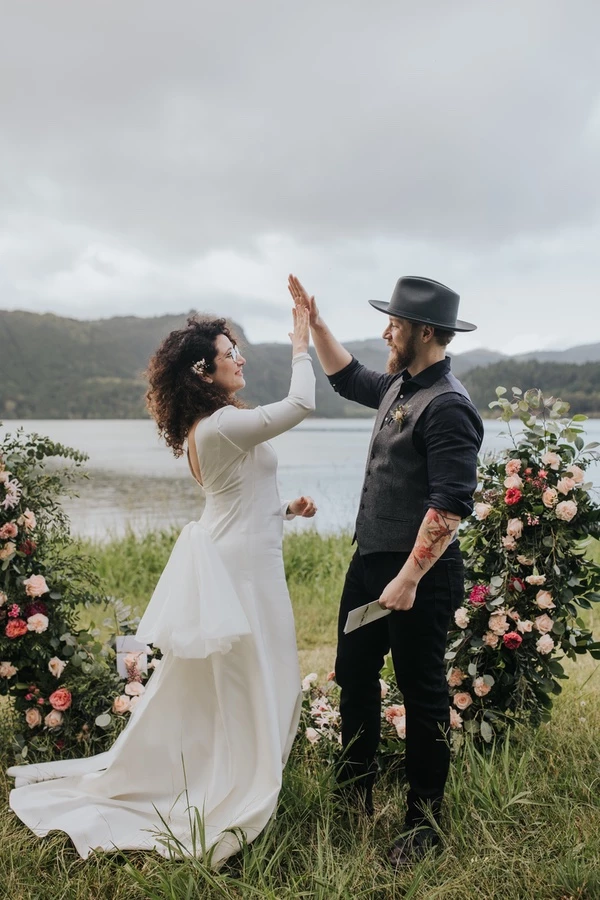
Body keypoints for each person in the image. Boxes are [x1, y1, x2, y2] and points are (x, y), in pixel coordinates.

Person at [8, 306, 317, 864]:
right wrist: (300, 344)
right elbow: (301, 404)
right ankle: (233, 784)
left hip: (247, 562)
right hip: (241, 574)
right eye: (230, 353)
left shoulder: (217, 425)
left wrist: (286, 510)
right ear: (203, 371)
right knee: (251, 681)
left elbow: (240, 502)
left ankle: (222, 767)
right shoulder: (219, 426)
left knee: (246, 679)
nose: (241, 359)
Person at [288, 274, 484, 866]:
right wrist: (316, 324)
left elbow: (449, 506)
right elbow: (348, 377)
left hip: (419, 578)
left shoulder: (448, 407)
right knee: (354, 675)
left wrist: (408, 580)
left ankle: (423, 823)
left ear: (424, 332)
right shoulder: (400, 383)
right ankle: (355, 792)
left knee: (423, 694)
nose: (385, 332)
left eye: (394, 324)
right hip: (369, 563)